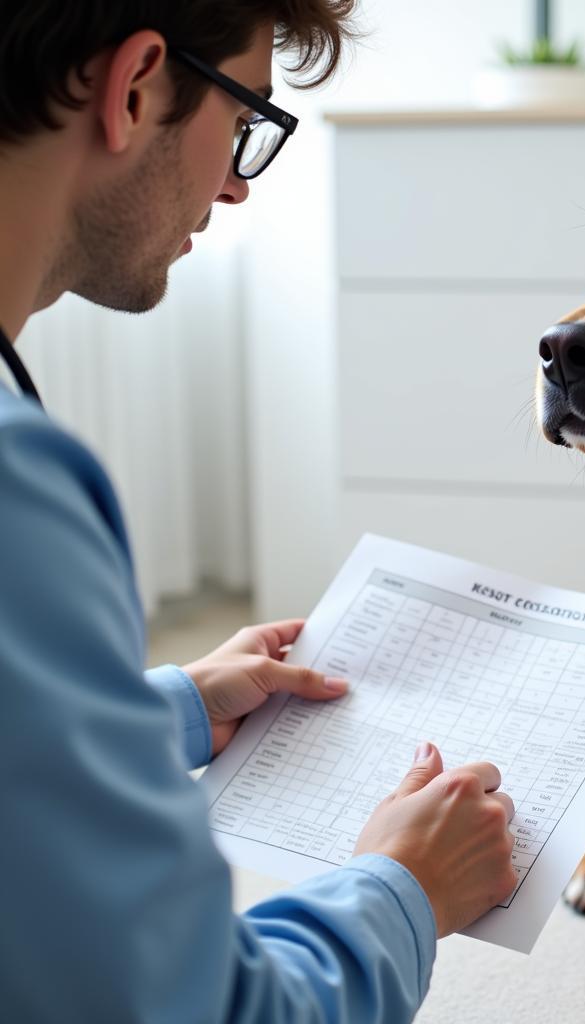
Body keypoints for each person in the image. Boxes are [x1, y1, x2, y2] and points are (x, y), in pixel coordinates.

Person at [0, 3, 517, 1021]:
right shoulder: (23, 493)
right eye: (245, 121)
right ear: (136, 85)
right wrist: (401, 885)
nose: (236, 183)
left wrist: (164, 709)